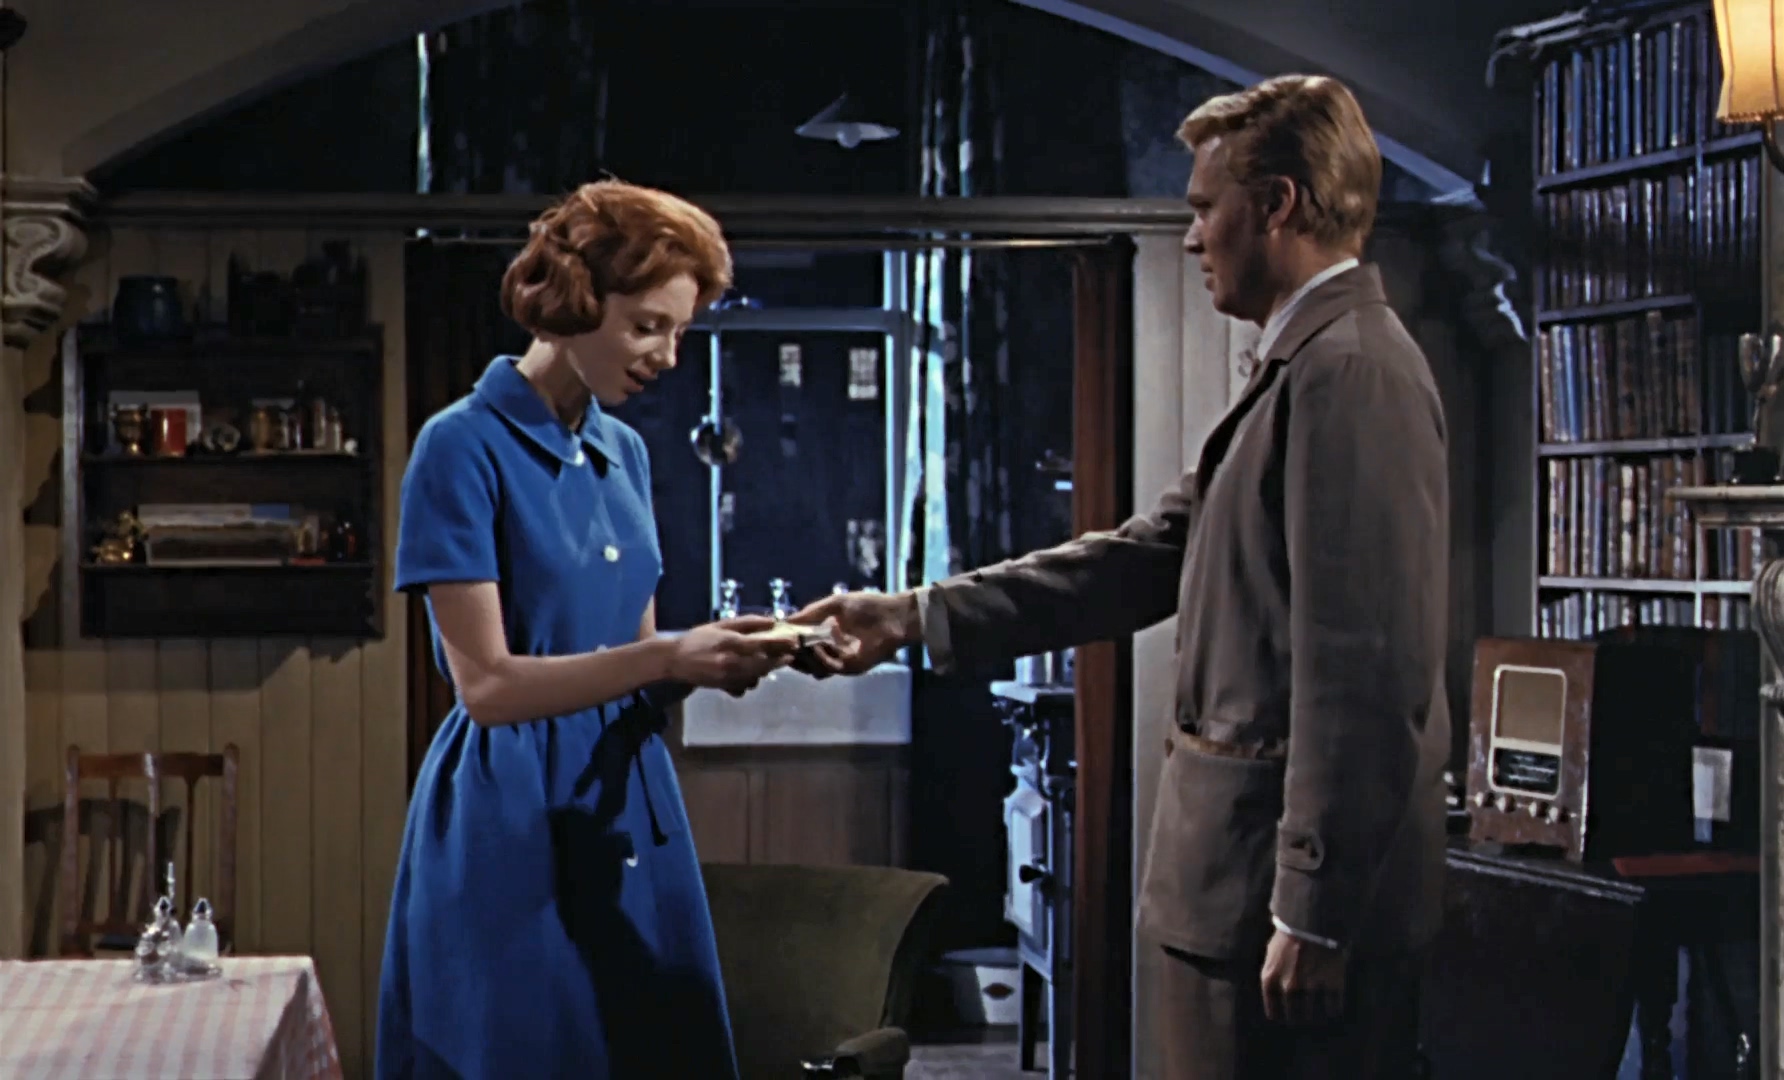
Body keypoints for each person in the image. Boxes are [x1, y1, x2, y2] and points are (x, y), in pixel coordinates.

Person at [792, 75, 1448, 1079]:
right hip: (1233, 896)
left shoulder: (1349, 373)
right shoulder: (1302, 367)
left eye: (1204, 208)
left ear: (1276, 205)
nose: (1191, 239)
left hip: (1269, 910)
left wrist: (1312, 912)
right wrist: (915, 613)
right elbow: (1141, 558)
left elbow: (1367, 675)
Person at [376, 180, 796, 1080]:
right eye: (648, 326)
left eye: (679, 332)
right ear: (574, 300)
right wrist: (667, 653)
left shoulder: (624, 451)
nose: (668, 356)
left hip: (627, 790)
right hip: (513, 803)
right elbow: (487, 687)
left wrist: (728, 654)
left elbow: (634, 661)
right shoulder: (461, 445)